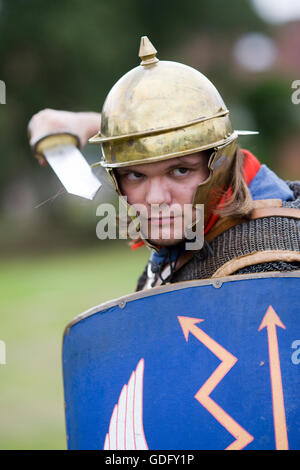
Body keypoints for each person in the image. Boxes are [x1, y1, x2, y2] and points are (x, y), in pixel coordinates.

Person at [28, 37, 300, 291]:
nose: (156, 198)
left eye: (180, 171)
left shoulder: (267, 264)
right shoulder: (197, 240)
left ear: (220, 163)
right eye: (135, 175)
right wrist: (85, 124)